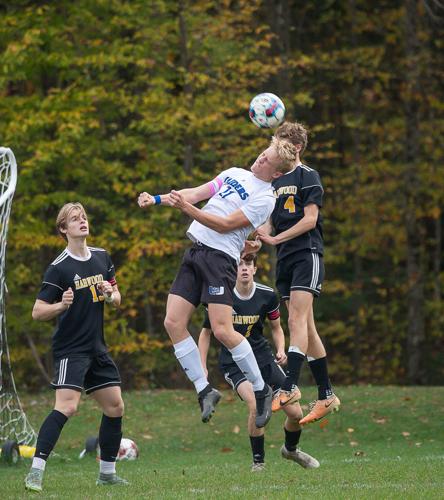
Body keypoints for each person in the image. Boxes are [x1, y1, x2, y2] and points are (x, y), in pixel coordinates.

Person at [138, 137, 296, 428]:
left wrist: (188, 210)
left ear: (276, 173)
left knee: (223, 330)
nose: (260, 159)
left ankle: (261, 390)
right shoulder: (234, 172)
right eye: (262, 154)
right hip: (195, 253)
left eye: (266, 161)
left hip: (220, 260)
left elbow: (224, 225)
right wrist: (158, 199)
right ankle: (204, 389)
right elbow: (196, 192)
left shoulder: (265, 199)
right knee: (173, 323)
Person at [24, 202, 127, 492]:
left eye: (83, 217)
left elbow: (117, 298)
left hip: (97, 348)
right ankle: (36, 471)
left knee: (115, 406)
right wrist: (61, 305)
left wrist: (110, 295)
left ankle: (107, 474)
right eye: (74, 219)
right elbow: (37, 312)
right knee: (67, 408)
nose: (82, 222)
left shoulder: (102, 257)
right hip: (71, 349)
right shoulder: (59, 267)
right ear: (63, 229)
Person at [198, 254, 319, 471]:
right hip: (234, 363)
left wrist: (281, 349)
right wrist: (201, 366)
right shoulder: (221, 297)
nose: (244, 268)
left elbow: (276, 328)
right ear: (233, 269)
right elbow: (206, 333)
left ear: (255, 269)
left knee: (296, 413)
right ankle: (258, 463)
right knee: (255, 403)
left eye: (248, 264)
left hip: (264, 359)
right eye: (240, 264)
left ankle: (290, 450)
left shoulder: (267, 295)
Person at [256, 122, 340, 425]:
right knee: (308, 328)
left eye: (281, 143)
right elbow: (268, 223)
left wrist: (276, 239)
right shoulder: (275, 182)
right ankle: (326, 394)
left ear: (296, 148)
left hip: (307, 254)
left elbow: (310, 220)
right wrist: (256, 238)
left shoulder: (308, 176)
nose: (275, 149)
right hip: (285, 259)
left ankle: (290, 386)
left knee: (296, 320)